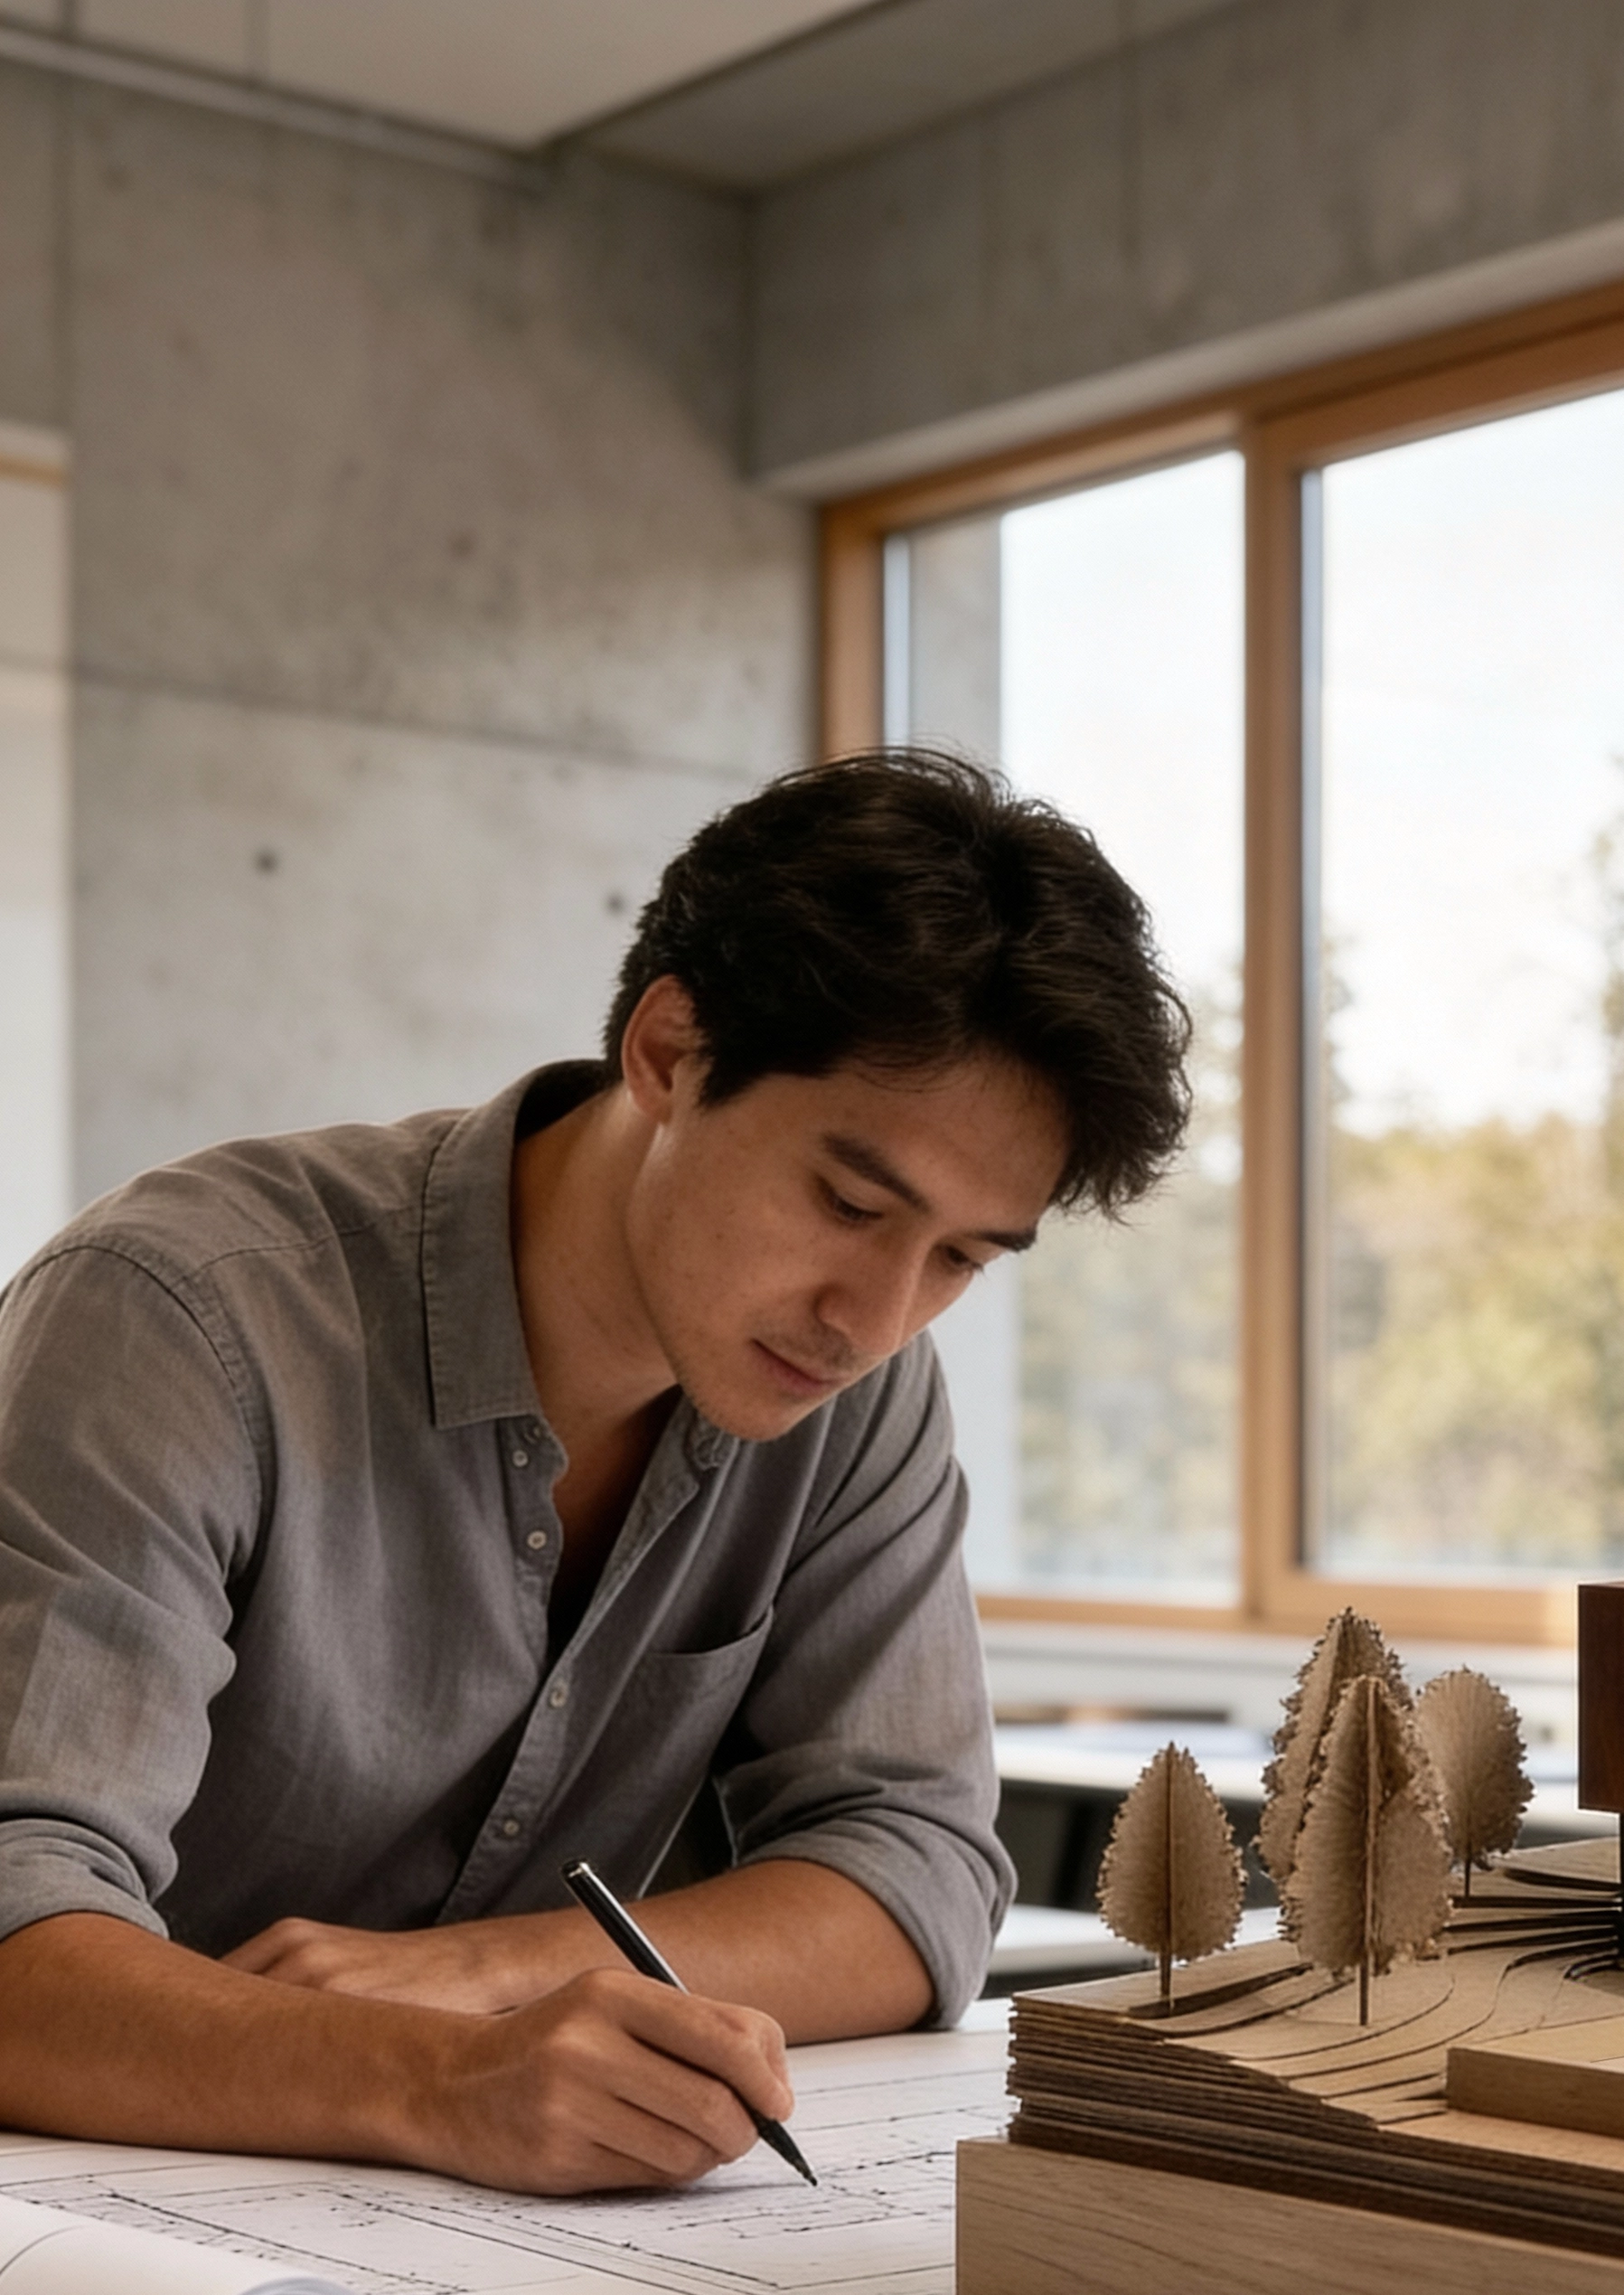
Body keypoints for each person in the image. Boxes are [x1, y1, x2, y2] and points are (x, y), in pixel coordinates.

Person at [0, 751, 1190, 2196]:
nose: (875, 1319)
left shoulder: (858, 1397)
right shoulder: (184, 1315)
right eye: (847, 1202)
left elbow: (917, 1867)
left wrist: (487, 1977)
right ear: (670, 1052)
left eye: (960, 1259)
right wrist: (442, 2075)